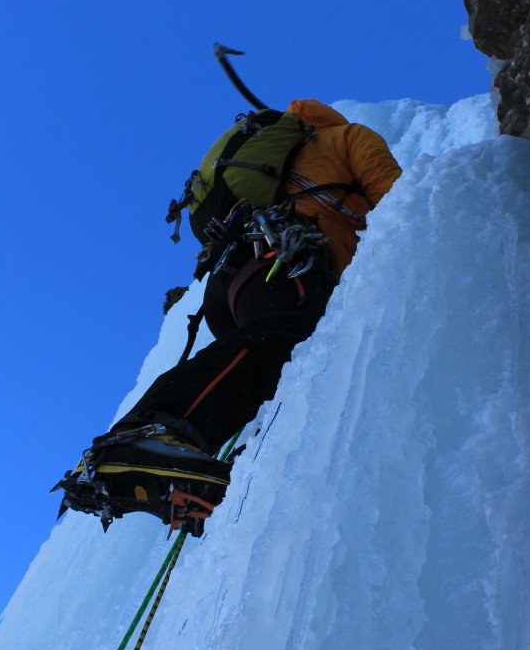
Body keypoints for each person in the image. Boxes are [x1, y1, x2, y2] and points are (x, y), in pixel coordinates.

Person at [55, 99, 401, 534]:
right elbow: (402, 200)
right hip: (288, 262)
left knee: (266, 364)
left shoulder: (270, 165)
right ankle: (150, 433)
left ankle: (186, 459)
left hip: (236, 279)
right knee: (281, 339)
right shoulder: (346, 138)